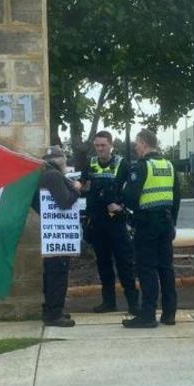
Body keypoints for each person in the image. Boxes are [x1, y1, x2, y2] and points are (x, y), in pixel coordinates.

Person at [118, 130, 179, 329]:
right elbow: (176, 197)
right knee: (166, 268)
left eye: (137, 144)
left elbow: (130, 196)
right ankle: (169, 314)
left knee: (147, 269)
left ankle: (148, 315)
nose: (135, 147)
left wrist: (126, 208)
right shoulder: (169, 165)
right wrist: (173, 223)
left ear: (144, 144)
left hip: (146, 224)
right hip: (166, 222)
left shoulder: (142, 167)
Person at [79, 131, 139, 315]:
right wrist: (79, 186)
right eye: (97, 145)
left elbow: (131, 190)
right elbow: (81, 184)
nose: (99, 149)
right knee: (103, 263)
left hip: (116, 222)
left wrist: (121, 206)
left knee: (124, 263)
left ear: (111, 145)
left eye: (103, 145)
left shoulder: (122, 164)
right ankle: (108, 302)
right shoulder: (90, 163)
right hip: (96, 222)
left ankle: (133, 304)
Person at [33, 145, 82, 327]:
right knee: (58, 274)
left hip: (53, 232)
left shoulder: (44, 174)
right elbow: (64, 202)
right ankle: (54, 314)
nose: (66, 162)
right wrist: (76, 189)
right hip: (58, 236)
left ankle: (52, 311)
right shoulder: (53, 175)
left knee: (52, 272)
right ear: (59, 159)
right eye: (64, 159)